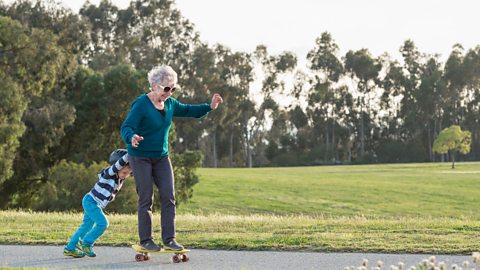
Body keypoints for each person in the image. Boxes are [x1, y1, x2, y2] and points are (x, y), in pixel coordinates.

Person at [120, 65, 223, 251]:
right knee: (146, 198)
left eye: (173, 88)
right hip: (140, 157)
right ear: (153, 86)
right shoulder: (141, 104)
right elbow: (126, 127)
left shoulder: (170, 104)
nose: (169, 93)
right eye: (166, 88)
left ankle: (169, 239)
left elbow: (189, 110)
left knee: (168, 196)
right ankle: (146, 241)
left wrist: (210, 107)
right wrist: (131, 137)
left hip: (161, 157)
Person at [63, 149, 132, 258]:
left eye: (128, 173)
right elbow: (119, 164)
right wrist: (131, 152)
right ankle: (86, 243)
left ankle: (70, 248)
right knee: (103, 224)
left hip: (93, 202)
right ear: (117, 168)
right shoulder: (109, 173)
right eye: (124, 172)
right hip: (91, 202)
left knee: (85, 227)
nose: (126, 175)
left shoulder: (119, 179)